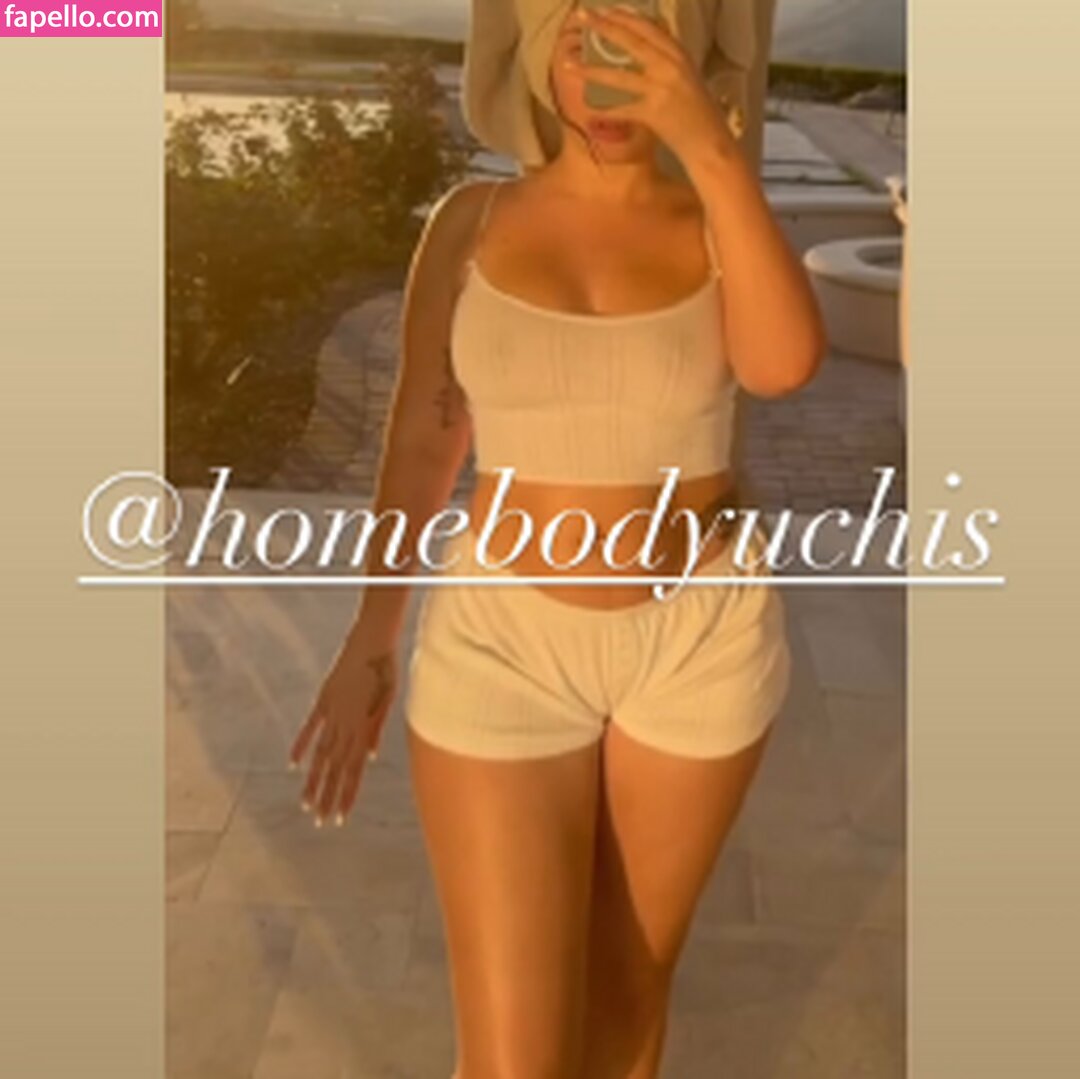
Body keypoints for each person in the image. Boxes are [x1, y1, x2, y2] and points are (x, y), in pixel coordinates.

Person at [289, 5, 826, 1076]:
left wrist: (714, 147)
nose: (609, 81)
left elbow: (782, 366)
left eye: (644, 47)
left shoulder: (717, 217)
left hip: (699, 644)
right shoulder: (471, 221)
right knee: (514, 1059)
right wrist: (370, 638)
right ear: (538, 55)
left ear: (687, 56)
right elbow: (426, 434)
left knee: (623, 1008)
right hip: (504, 646)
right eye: (585, 44)